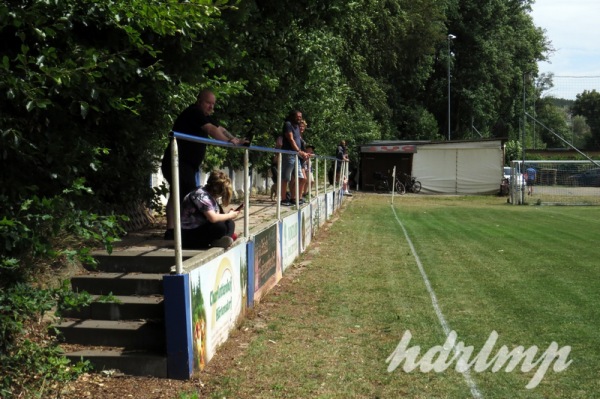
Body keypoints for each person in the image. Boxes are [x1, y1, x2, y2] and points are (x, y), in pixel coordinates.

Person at [161, 89, 246, 240]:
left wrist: (236, 139)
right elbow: (211, 130)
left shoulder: (204, 116)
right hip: (178, 162)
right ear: (199, 101)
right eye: (208, 103)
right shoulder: (194, 112)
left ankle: (171, 231)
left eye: (213, 104)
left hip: (186, 164)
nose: (211, 107)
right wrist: (228, 142)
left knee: (177, 194)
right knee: (187, 196)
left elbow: (220, 128)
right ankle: (185, 232)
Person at [180, 170, 240, 249]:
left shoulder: (209, 195)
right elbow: (213, 218)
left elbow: (217, 215)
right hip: (190, 235)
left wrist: (228, 215)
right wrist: (229, 215)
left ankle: (227, 239)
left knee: (230, 222)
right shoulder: (200, 195)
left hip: (201, 229)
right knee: (220, 227)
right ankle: (223, 239)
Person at [280, 110, 308, 206]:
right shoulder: (288, 124)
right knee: (286, 177)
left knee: (300, 177)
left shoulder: (297, 127)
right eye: (298, 116)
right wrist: (299, 151)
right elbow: (291, 139)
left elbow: (297, 140)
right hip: (289, 154)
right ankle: (283, 199)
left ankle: (293, 198)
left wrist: (300, 152)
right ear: (292, 116)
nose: (299, 118)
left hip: (296, 155)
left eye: (300, 117)